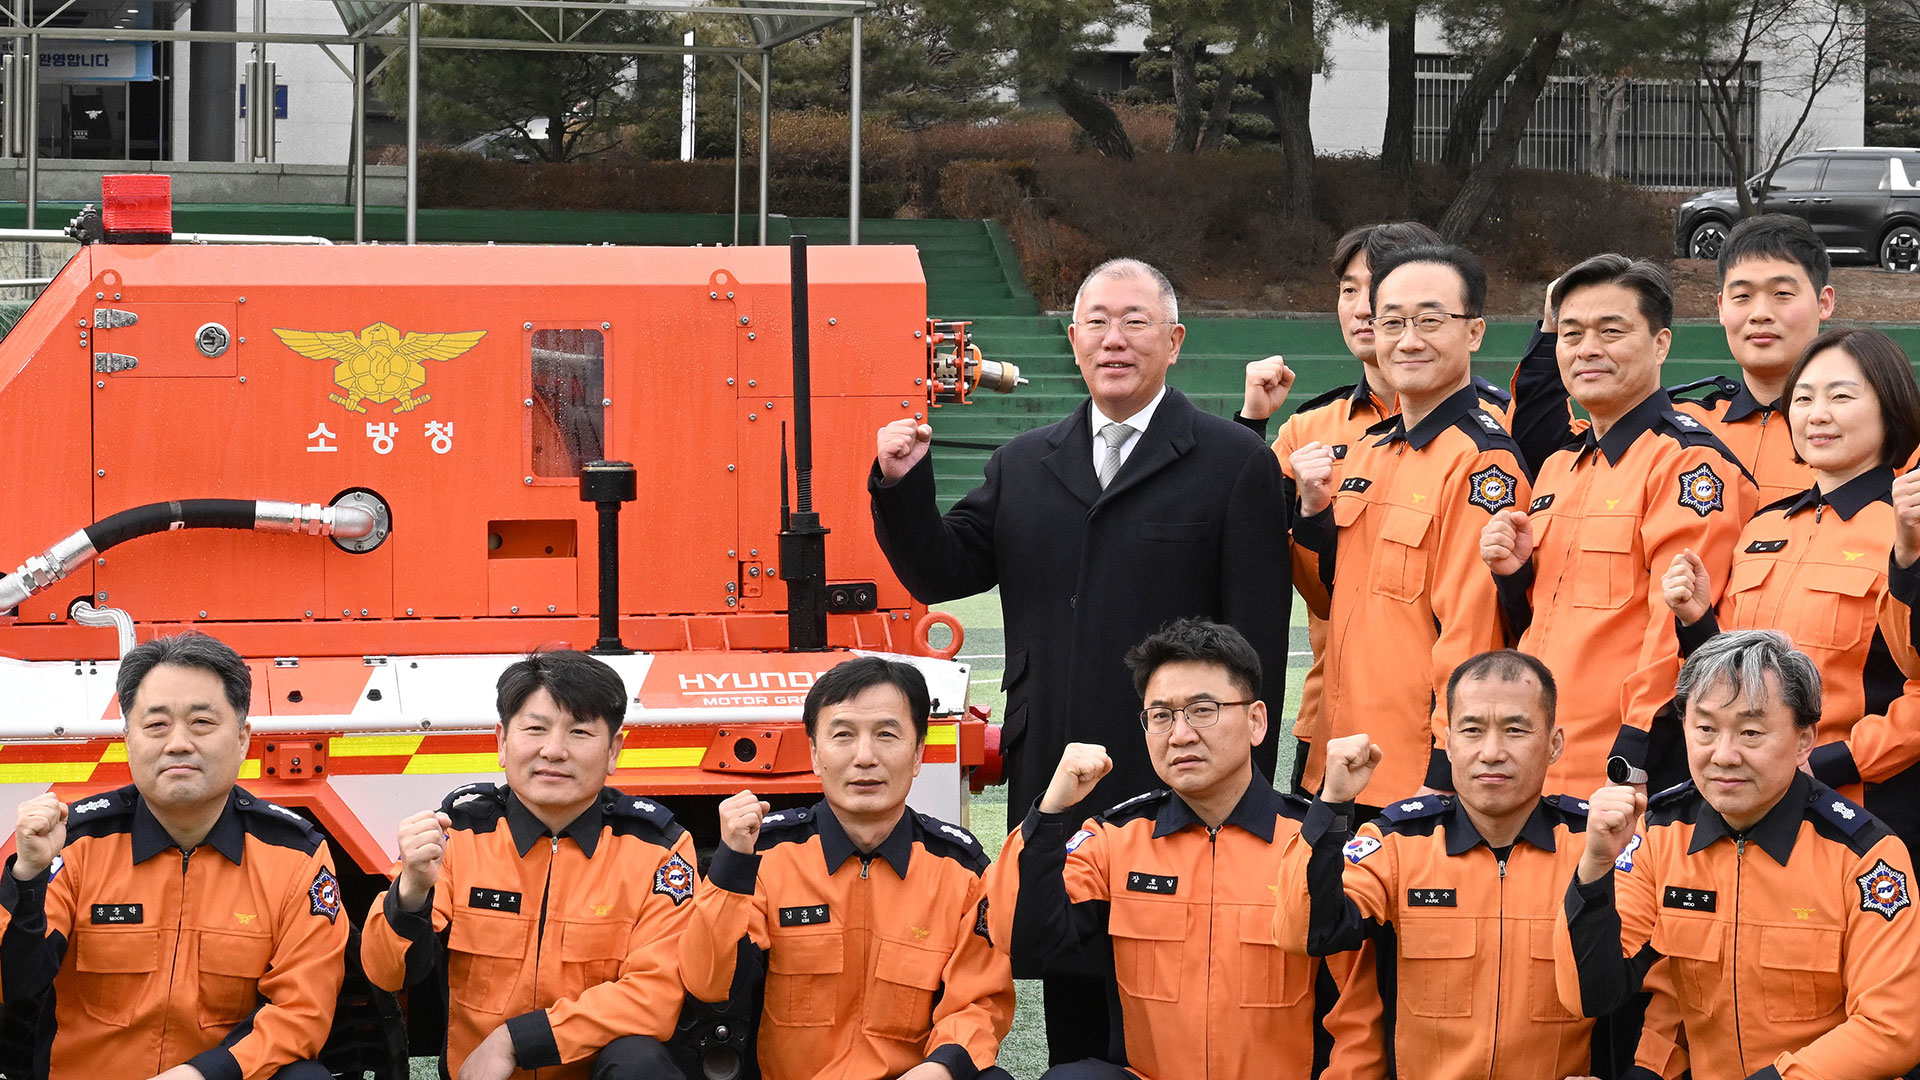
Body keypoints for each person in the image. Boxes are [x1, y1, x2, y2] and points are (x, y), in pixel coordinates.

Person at [869, 256, 1291, 1062]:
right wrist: (901, 483)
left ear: (1173, 340)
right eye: (1096, 322)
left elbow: (1257, 634)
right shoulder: (1025, 462)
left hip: (1179, 770)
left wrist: (1250, 781)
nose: (1114, 339)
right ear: (1072, 341)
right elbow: (942, 569)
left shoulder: (1232, 462)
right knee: (1071, 977)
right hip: (1057, 767)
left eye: (1135, 322)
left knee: (1179, 986)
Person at [991, 619, 1381, 1080]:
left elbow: (1361, 1018)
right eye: (1161, 715)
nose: (1180, 734)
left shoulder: (1313, 843)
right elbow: (1023, 940)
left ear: (1256, 721)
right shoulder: (1117, 840)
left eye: (1202, 710)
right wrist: (1051, 812)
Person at [1558, 630, 1920, 1080]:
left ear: (1804, 739)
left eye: (1750, 732)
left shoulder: (1866, 856)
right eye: (1706, 729)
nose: (1724, 756)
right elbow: (1590, 994)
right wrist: (1594, 869)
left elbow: (1891, 1030)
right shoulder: (1660, 832)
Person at [0, 632, 346, 1080]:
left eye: (201, 722)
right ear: (128, 739)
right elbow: (16, 981)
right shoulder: (76, 844)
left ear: (242, 740)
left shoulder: (295, 855)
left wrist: (202, 1073)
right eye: (156, 725)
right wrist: (27, 877)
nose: (178, 743)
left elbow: (302, 1010)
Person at [1275, 650, 1625, 1080]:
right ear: (1448, 742)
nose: (1492, 752)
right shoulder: (1397, 845)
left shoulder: (1596, 848)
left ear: (1554, 744)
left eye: (1515, 730)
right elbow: (1304, 931)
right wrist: (1332, 806)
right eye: (1472, 730)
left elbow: (1641, 995)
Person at [1481, 255, 1757, 796]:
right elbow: (1540, 619)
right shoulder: (1561, 466)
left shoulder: (1687, 464)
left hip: (1620, 768)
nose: (1587, 349)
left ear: (1660, 344)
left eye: (1612, 331)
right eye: (1572, 333)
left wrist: (1637, 748)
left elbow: (1677, 627)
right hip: (1538, 758)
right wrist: (1514, 578)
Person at [360, 649, 697, 1080]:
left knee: (641, 1062)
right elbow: (387, 974)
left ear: (614, 750)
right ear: (501, 741)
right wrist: (410, 894)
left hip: (594, 1073)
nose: (553, 751)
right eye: (535, 729)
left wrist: (516, 1039)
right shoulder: (457, 837)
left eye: (579, 732)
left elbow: (655, 996)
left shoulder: (660, 850)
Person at [677, 656, 1015, 1080]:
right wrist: (729, 866)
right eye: (843, 735)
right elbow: (706, 981)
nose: (865, 757)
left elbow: (979, 1002)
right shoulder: (768, 856)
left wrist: (942, 1068)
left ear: (917, 755)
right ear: (816, 755)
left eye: (887, 735)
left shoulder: (959, 868)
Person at [1290, 244, 1532, 803]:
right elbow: (1331, 597)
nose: (1409, 339)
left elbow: (1473, 632)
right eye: (1392, 322)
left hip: (1411, 774)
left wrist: (1446, 770)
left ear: (1474, 333)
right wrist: (1311, 515)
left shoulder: (1480, 461)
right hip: (1338, 759)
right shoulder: (1369, 452)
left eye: (1430, 321)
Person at [1662, 328, 1920, 849]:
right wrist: (1698, 622)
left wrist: (1825, 761)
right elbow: (1734, 671)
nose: (1816, 414)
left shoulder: (1907, 527)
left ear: (1891, 408)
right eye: (1802, 398)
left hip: (1863, 806)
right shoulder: (1764, 526)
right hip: (1746, 797)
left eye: (1841, 396)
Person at [1516, 214, 1834, 508]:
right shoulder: (1670, 426)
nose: (1760, 313)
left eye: (1781, 294)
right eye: (1742, 296)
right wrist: (1552, 330)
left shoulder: (1859, 432)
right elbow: (1541, 448)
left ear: (1824, 302)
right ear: (1721, 307)